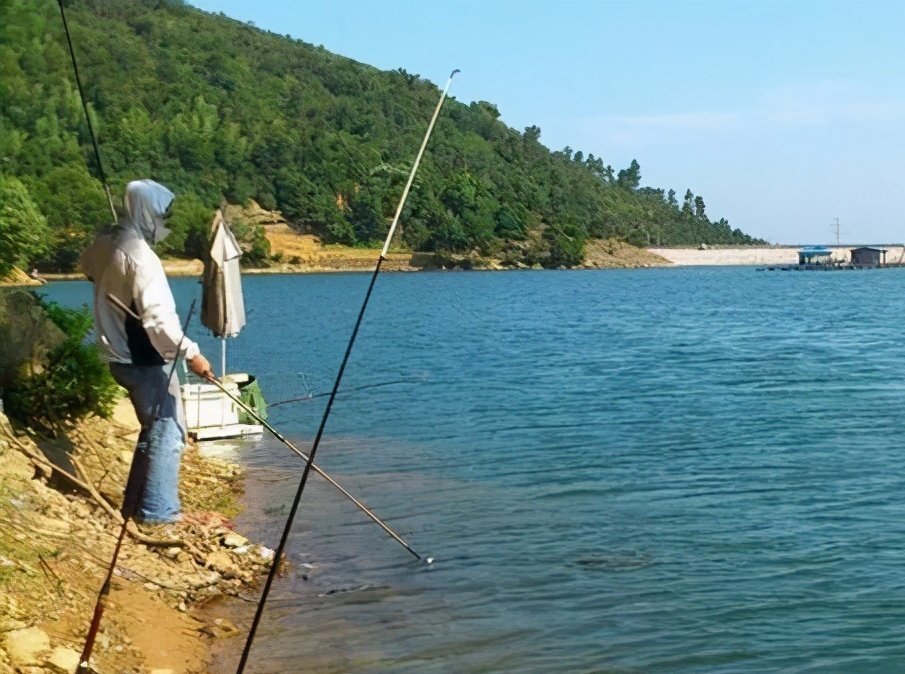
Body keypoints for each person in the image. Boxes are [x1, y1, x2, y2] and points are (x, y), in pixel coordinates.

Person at [82, 179, 213, 525]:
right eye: (162, 215)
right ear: (147, 212)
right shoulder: (142, 258)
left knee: (151, 429)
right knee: (169, 432)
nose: (166, 222)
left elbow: (87, 269)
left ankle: (135, 504)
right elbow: (159, 321)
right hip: (140, 360)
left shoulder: (104, 242)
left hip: (116, 356)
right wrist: (192, 354)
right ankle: (159, 515)